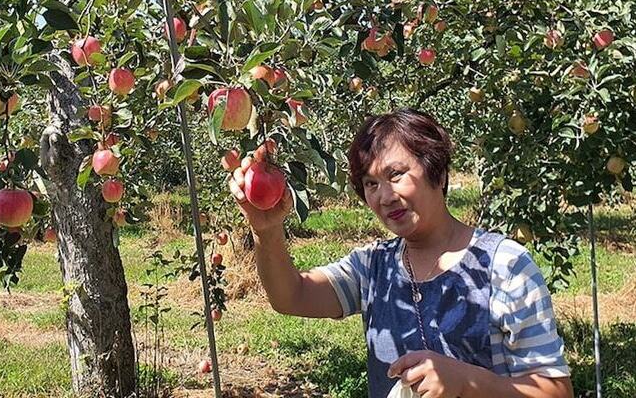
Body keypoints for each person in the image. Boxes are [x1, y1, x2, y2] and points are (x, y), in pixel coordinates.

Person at [229, 108, 574, 398]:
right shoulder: (373, 267)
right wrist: (267, 229)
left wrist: (467, 382)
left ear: (437, 172)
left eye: (396, 174)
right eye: (370, 184)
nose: (384, 196)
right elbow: (292, 296)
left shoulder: (504, 265)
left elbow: (556, 390)